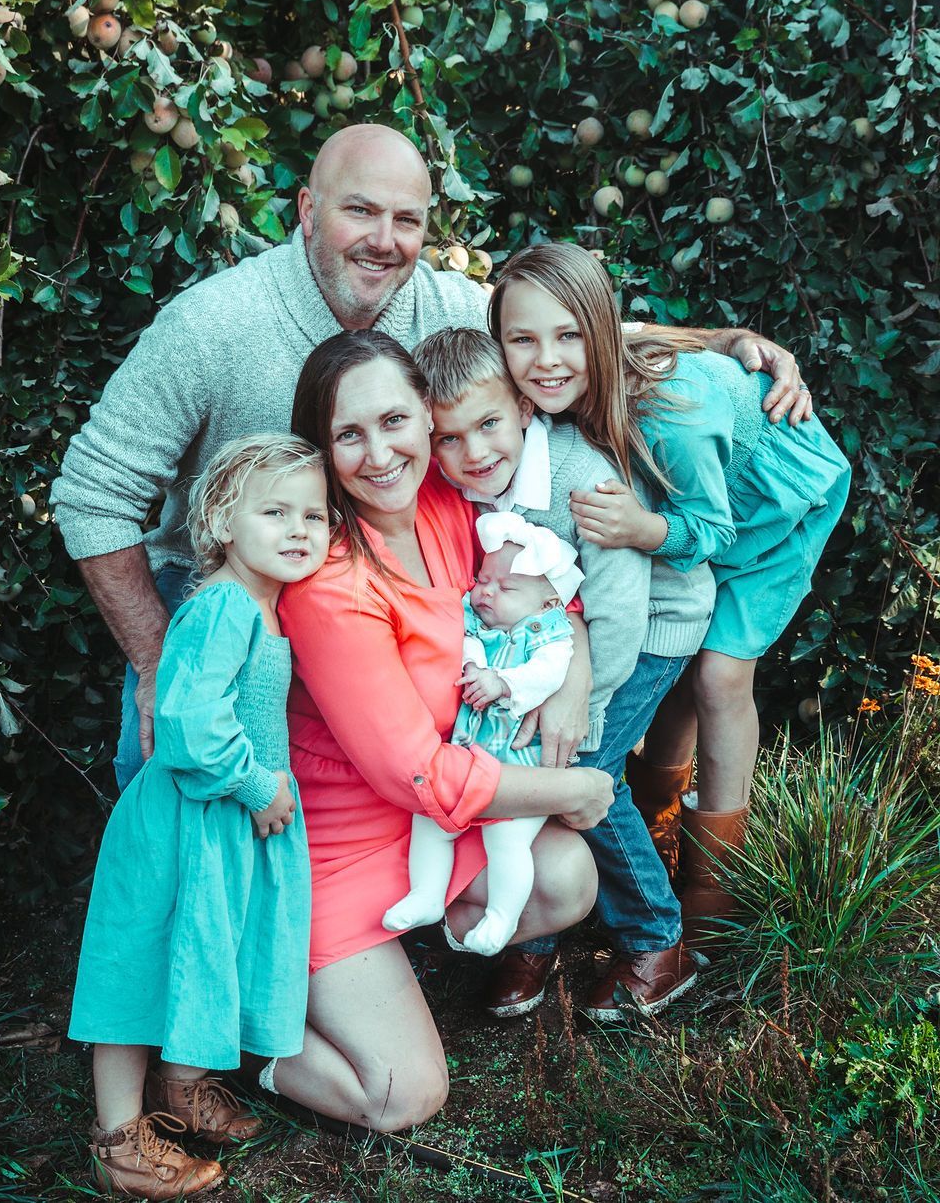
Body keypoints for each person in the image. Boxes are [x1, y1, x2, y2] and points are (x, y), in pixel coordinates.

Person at [50, 123, 813, 792]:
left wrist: (720, 344)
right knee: (178, 774)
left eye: (407, 220)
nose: (384, 239)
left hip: (395, 578)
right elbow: (92, 495)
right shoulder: (212, 327)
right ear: (308, 211)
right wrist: (156, 659)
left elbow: (567, 330)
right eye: (360, 211)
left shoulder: (440, 305)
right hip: (228, 592)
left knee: (386, 784)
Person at [257, 330, 613, 1132]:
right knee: (403, 1096)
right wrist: (574, 787)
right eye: (349, 435)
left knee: (565, 878)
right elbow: (415, 773)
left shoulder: (451, 508)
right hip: (340, 846)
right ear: (322, 449)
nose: (380, 454)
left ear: (426, 414)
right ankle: (244, 1039)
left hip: (430, 830)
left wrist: (573, 677)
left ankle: (403, 953)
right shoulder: (330, 584)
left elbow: (549, 593)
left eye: (393, 421)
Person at [489, 244, 851, 955]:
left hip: (775, 503)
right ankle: (654, 826)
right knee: (679, 664)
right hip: (697, 497)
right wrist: (735, 340)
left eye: (567, 337)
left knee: (717, 674)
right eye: (522, 340)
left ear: (595, 331)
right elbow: (665, 336)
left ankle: (713, 890)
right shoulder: (559, 367)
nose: (546, 358)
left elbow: (713, 529)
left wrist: (645, 530)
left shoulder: (670, 415)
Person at [417, 328, 710, 1019]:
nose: (473, 453)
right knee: (531, 760)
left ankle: (657, 940)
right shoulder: (470, 486)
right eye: (449, 438)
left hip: (648, 628)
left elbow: (618, 609)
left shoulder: (580, 479)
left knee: (583, 762)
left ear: (523, 408)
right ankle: (536, 937)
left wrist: (575, 705)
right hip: (548, 641)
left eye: (488, 425)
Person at [68, 434, 331, 1199]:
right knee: (142, 962)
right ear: (219, 521)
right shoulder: (223, 607)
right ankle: (118, 1142)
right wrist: (255, 786)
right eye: (275, 512)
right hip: (182, 822)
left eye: (314, 515)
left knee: (208, 949)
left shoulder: (261, 606)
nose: (298, 529)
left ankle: (182, 1088)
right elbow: (187, 722)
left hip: (216, 825)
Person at [383, 512, 585, 957]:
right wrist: (473, 664)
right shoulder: (478, 622)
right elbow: (465, 641)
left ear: (548, 603)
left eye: (506, 588)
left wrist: (505, 683)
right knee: (431, 821)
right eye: (483, 580)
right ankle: (426, 896)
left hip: (523, 766)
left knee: (506, 840)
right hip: (469, 759)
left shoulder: (548, 632)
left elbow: (550, 673)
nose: (487, 592)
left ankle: (501, 916)